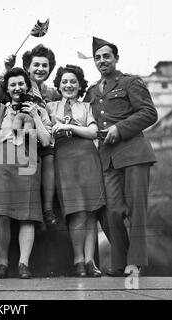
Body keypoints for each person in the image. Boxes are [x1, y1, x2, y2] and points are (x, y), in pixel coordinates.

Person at [84, 37, 158, 276]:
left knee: (136, 210)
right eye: (97, 57)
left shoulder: (130, 82)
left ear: (116, 58)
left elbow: (149, 113)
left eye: (106, 56)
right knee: (113, 211)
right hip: (108, 159)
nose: (102, 61)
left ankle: (133, 263)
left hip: (134, 154)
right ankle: (120, 260)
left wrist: (120, 128)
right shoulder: (93, 91)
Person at [0, 65, 52, 279]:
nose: (17, 87)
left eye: (21, 83)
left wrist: (35, 116)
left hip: (28, 165)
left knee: (27, 217)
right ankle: (2, 264)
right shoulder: (1, 109)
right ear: (8, 89)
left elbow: (46, 141)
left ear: (28, 86)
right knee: (2, 215)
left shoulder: (39, 109)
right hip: (2, 165)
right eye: (13, 84)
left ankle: (23, 264)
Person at [0, 44, 60, 230]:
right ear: (27, 67)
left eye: (45, 65)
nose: (40, 69)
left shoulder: (52, 93)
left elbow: (53, 117)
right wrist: (7, 70)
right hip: (18, 137)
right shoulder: (19, 83)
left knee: (48, 154)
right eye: (36, 64)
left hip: (40, 134)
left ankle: (46, 210)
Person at [47, 64, 105, 277]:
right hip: (64, 159)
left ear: (80, 85)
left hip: (87, 158)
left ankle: (90, 262)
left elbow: (93, 132)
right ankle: (78, 260)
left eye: (73, 81)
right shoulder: (50, 106)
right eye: (64, 81)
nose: (69, 85)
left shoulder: (86, 107)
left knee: (91, 211)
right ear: (59, 85)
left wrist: (69, 127)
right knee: (76, 211)